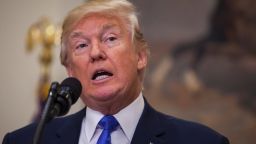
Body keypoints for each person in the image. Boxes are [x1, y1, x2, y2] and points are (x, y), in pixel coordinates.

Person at [2, 0, 229, 144]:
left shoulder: (202, 141)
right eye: (81, 45)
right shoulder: (26, 141)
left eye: (110, 38)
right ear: (70, 70)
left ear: (141, 56)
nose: (96, 52)